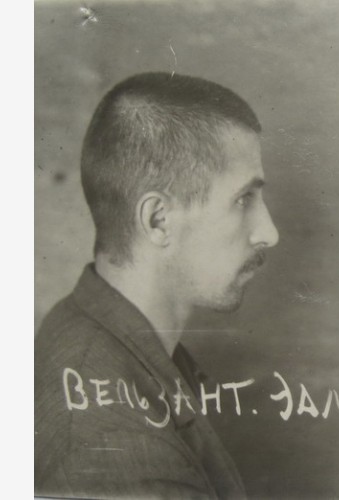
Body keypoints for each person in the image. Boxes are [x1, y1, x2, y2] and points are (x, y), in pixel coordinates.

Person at [34, 72, 279, 498]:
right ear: (158, 221)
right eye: (243, 199)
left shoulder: (83, 324)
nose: (269, 233)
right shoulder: (121, 453)